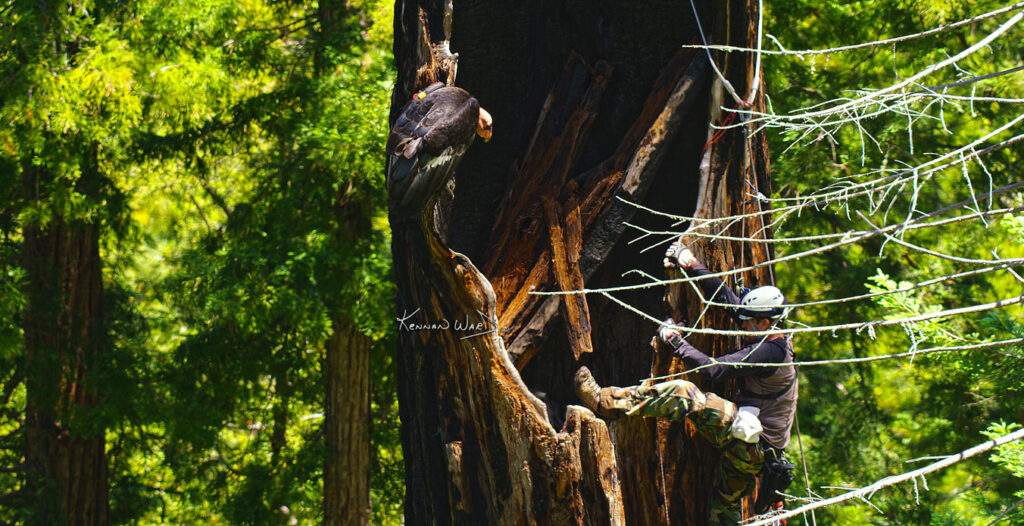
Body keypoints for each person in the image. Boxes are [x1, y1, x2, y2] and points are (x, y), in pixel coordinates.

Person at [573, 240, 797, 525]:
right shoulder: (764, 331)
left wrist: (675, 340)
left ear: (764, 323)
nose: (741, 324)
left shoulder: (771, 351)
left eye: (748, 321)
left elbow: (714, 371)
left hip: (754, 445)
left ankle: (605, 401)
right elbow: (727, 302)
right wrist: (690, 263)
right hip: (753, 449)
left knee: (686, 394)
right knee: (722, 510)